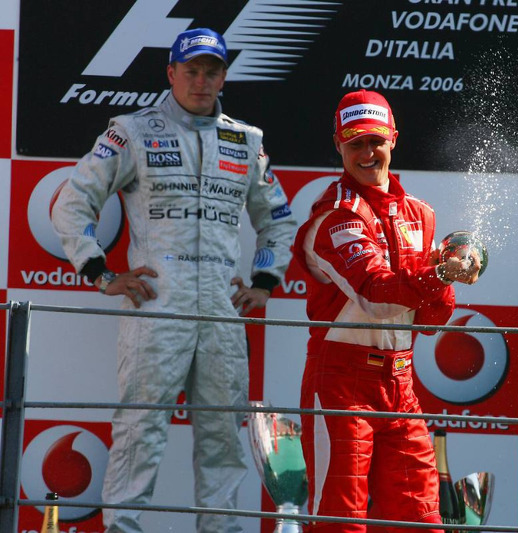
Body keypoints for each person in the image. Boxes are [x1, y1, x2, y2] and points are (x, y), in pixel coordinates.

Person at [51, 28, 297, 533]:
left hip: (223, 314)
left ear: (224, 75)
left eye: (212, 71)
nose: (202, 81)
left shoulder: (247, 141)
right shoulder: (132, 131)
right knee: (140, 432)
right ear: (171, 73)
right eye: (191, 70)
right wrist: (101, 273)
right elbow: (73, 203)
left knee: (224, 441)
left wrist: (266, 280)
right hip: (156, 308)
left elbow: (277, 218)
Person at [292, 89, 481, 532]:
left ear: (393, 139)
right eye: (355, 142)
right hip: (341, 384)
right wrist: (439, 274)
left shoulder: (420, 214)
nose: (367, 153)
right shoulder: (335, 217)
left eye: (375, 141)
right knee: (341, 522)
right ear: (338, 145)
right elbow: (376, 295)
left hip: (401, 384)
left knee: (421, 520)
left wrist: (448, 273)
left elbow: (432, 322)